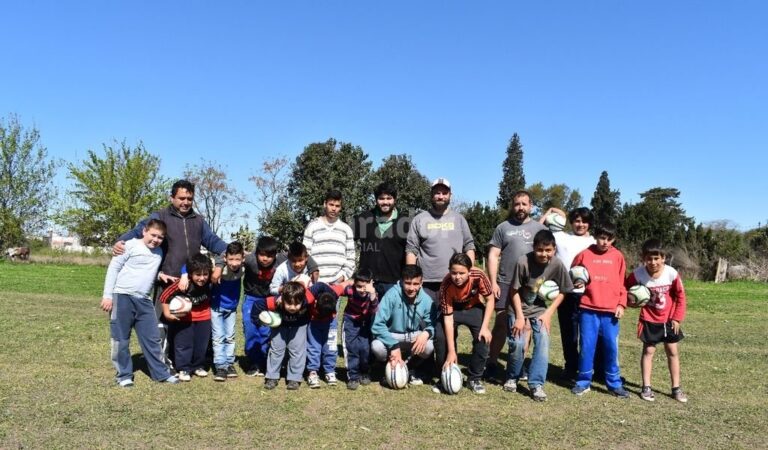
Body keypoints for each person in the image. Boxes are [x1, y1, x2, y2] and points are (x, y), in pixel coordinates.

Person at [113, 180, 228, 367]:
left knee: (187, 321)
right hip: (167, 280)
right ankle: (162, 360)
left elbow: (213, 241)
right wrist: (120, 242)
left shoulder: (198, 221)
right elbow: (137, 231)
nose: (185, 202)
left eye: (189, 198)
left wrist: (229, 254)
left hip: (193, 283)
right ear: (172, 198)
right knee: (162, 323)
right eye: (181, 198)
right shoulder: (160, 216)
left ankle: (186, 359)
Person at [100, 219, 179, 387]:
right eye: (153, 235)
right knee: (120, 339)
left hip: (144, 300)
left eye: (160, 237)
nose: (156, 240)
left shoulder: (158, 252)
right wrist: (107, 296)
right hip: (122, 297)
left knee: (153, 338)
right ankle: (124, 375)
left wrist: (160, 276)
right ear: (144, 231)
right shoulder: (129, 245)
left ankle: (161, 374)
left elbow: (145, 270)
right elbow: (113, 269)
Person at [504, 230, 574, 401]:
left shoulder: (557, 265)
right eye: (540, 250)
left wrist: (549, 313)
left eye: (548, 250)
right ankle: (513, 376)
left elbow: (565, 291)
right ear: (533, 248)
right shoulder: (523, 262)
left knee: (543, 340)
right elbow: (513, 291)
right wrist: (520, 317)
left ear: (554, 249)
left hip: (540, 310)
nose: (544, 254)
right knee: (518, 343)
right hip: (517, 307)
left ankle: (536, 384)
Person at [485, 191, 546, 381]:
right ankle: (492, 362)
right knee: (501, 324)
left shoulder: (539, 229)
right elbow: (493, 255)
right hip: (504, 283)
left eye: (524, 204)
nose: (520, 207)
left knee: (525, 327)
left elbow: (547, 256)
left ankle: (518, 367)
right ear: (513, 206)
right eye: (517, 204)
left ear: (531, 205)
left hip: (529, 287)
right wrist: (493, 282)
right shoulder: (503, 228)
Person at [570, 223, 629, 398]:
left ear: (614, 239)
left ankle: (614, 383)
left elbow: (622, 283)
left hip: (611, 311)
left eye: (609, 239)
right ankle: (583, 381)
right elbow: (572, 273)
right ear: (596, 236)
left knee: (611, 347)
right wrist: (576, 282)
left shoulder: (617, 256)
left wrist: (621, 304)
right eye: (602, 238)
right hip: (588, 309)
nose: (605, 242)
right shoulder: (584, 254)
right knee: (587, 347)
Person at [625, 239, 688, 403]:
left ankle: (676, 388)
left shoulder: (671, 273)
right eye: (649, 259)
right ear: (643, 258)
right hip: (649, 320)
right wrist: (631, 302)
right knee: (648, 352)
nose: (653, 262)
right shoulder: (638, 275)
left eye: (656, 258)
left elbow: (680, 296)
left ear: (663, 258)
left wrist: (677, 318)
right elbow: (625, 293)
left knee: (672, 352)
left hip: (669, 320)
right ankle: (646, 387)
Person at [539, 206, 596, 380]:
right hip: (566, 293)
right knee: (569, 333)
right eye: (577, 221)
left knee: (588, 334)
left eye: (585, 221)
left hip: (588, 294)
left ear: (590, 224)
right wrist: (550, 212)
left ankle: (589, 368)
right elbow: (538, 229)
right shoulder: (561, 237)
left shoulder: (595, 242)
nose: (581, 224)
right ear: (571, 222)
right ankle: (571, 367)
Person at [405, 178, 475, 301]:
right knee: (426, 319)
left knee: (451, 319)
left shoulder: (459, 219)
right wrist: (412, 280)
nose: (441, 196)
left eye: (444, 193)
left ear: (450, 195)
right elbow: (411, 250)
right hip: (426, 283)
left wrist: (469, 272)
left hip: (454, 280)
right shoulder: (419, 219)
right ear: (432, 195)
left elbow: (469, 246)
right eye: (437, 193)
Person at [433, 253, 494, 394]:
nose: (458, 277)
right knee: (441, 338)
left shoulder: (479, 275)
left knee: (483, 338)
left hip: (474, 308)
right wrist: (452, 351)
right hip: (453, 310)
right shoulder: (446, 285)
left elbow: (490, 300)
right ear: (449, 270)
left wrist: (485, 327)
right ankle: (444, 376)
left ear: (469, 270)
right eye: (454, 273)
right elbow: (448, 319)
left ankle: (474, 378)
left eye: (462, 273)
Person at [371, 264, 435, 385]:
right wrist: (394, 346)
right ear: (401, 281)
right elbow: (377, 325)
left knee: (429, 346)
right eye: (408, 283)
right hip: (393, 335)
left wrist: (426, 333)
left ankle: (411, 367)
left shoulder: (427, 300)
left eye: (416, 284)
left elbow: (432, 325)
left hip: (413, 336)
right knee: (377, 347)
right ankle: (388, 367)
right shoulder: (391, 295)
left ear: (421, 283)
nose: (411, 288)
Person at [251, 281, 323, 390]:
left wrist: (328, 295)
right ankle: (272, 377)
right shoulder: (275, 301)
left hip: (300, 325)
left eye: (296, 304)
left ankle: (294, 378)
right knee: (276, 350)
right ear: (283, 299)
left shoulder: (308, 298)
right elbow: (257, 305)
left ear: (303, 300)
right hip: (279, 326)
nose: (293, 307)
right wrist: (258, 321)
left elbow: (320, 285)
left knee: (297, 351)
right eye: (289, 303)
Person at [159, 253, 214, 382]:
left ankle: (198, 366)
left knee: (201, 344)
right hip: (184, 319)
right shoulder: (183, 283)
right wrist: (167, 313)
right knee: (183, 344)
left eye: (205, 274)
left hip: (204, 317)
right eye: (198, 275)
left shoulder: (210, 282)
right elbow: (164, 296)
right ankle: (184, 368)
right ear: (190, 274)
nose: (202, 278)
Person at [351, 182, 411, 300]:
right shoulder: (364, 218)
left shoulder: (405, 222)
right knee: (365, 318)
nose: (385, 202)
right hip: (366, 282)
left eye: (389, 198)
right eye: (381, 198)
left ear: (395, 199)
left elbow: (412, 251)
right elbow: (346, 240)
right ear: (376, 200)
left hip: (394, 284)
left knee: (391, 318)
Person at [241, 236, 283, 377]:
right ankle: (253, 361)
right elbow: (226, 254)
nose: (265, 259)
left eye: (269, 256)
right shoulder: (249, 259)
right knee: (251, 328)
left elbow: (303, 255)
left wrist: (313, 268)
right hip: (251, 298)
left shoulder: (281, 260)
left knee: (265, 330)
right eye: (262, 255)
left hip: (268, 300)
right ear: (256, 253)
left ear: (275, 255)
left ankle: (264, 361)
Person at [302, 189, 355, 284]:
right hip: (315, 284)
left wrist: (343, 277)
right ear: (325, 204)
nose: (334, 209)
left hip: (339, 285)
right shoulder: (312, 226)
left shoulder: (346, 229)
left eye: (337, 206)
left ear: (340, 208)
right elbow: (305, 254)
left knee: (344, 300)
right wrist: (311, 273)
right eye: (331, 205)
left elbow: (351, 257)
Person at [209, 242, 245, 382]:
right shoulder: (220, 269)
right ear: (225, 258)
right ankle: (220, 366)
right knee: (218, 338)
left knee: (230, 336)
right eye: (231, 259)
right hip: (216, 307)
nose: (234, 263)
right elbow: (217, 258)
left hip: (231, 308)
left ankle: (229, 363)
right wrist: (217, 269)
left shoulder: (243, 268)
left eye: (237, 259)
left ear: (242, 258)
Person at [341, 268, 380, 390]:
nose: (362, 290)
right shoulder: (349, 290)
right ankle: (353, 376)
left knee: (365, 348)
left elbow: (374, 310)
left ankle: (364, 372)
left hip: (365, 322)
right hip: (350, 321)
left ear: (371, 283)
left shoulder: (372, 295)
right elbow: (337, 291)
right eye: (359, 286)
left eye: (365, 286)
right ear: (354, 284)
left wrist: (372, 294)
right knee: (352, 348)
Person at [305, 280, 346, 388]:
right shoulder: (310, 296)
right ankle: (313, 371)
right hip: (314, 323)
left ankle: (330, 371)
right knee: (314, 347)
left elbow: (347, 283)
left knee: (331, 347)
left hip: (331, 323)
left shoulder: (335, 291)